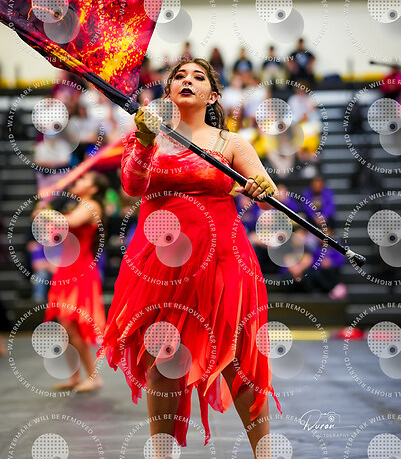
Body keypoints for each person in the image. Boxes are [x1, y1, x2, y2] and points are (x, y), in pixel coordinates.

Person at [99, 58, 281, 456]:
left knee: (237, 359)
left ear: (212, 96)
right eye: (179, 77)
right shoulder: (146, 137)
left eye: (198, 77)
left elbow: (270, 196)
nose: (187, 81)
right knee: (162, 360)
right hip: (160, 265)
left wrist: (263, 188)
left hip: (223, 260)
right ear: (167, 92)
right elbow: (131, 186)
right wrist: (144, 140)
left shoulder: (231, 143)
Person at [44, 171, 108, 392]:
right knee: (65, 327)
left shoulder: (92, 206)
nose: (78, 181)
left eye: (84, 179)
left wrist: (46, 211)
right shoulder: (77, 205)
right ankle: (74, 377)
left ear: (93, 189)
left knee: (72, 325)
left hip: (80, 271)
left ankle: (93, 377)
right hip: (67, 268)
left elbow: (70, 221)